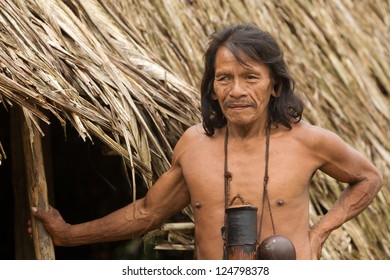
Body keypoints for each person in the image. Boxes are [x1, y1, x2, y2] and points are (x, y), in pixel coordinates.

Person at [29, 23, 383, 260]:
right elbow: (147, 212)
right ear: (212, 89)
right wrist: (69, 235)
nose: (237, 91)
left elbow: (368, 177)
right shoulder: (195, 145)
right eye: (224, 78)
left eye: (250, 77)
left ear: (274, 86)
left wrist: (319, 233)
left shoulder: (309, 140)